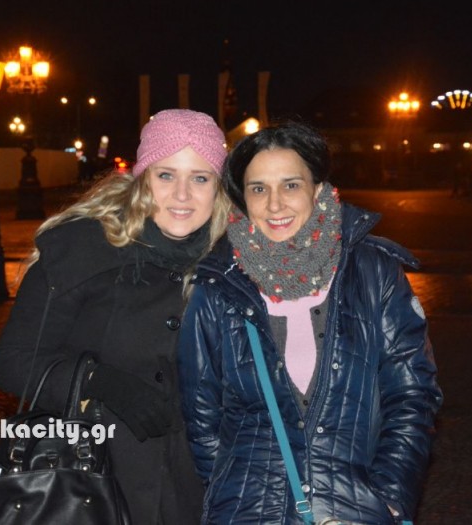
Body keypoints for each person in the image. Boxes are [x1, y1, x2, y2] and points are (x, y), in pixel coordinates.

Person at [178, 122, 442, 524]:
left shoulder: (374, 273)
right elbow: (201, 417)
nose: (275, 204)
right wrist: (233, 495)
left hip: (353, 510)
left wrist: (388, 496)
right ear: (243, 199)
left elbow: (411, 396)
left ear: (318, 190)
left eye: (291, 185)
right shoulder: (218, 287)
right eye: (258, 189)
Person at [0, 109, 232, 525]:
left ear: (218, 187)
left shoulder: (233, 264)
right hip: (93, 486)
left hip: (199, 493)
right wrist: (98, 382)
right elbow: (11, 362)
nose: (182, 195)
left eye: (200, 178)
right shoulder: (80, 250)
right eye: (166, 175)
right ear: (142, 178)